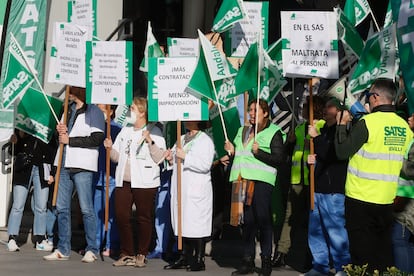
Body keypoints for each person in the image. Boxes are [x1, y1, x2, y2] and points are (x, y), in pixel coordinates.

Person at [335, 79, 412, 272]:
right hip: (387, 201)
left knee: (361, 258)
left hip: (360, 199)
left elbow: (342, 152)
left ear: (376, 97)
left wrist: (341, 126)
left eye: (369, 95)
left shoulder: (367, 123)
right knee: (382, 257)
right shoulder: (404, 127)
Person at [44, 86, 105, 262]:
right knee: (62, 208)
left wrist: (70, 140)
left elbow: (97, 138)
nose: (69, 89)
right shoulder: (67, 110)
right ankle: (63, 248)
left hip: (82, 165)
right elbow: (61, 139)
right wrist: (60, 134)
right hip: (64, 163)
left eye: (73, 87)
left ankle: (91, 248)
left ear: (82, 90)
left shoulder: (94, 112)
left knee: (86, 208)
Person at [225, 99, 286, 276]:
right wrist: (232, 150)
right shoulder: (242, 130)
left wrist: (260, 152)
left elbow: (279, 159)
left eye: (255, 110)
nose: (251, 113)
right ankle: (248, 260)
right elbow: (241, 154)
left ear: (266, 113)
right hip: (242, 179)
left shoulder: (273, 131)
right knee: (247, 221)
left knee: (262, 218)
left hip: (261, 180)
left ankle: (266, 259)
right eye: (249, 110)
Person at [104, 97, 166, 268]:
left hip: (145, 181)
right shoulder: (126, 130)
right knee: (122, 215)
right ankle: (127, 252)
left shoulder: (154, 131)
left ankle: (141, 253)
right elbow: (117, 157)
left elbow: (160, 158)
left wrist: (150, 141)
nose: (129, 111)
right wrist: (109, 148)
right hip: (124, 180)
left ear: (142, 112)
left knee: (143, 217)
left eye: (132, 108)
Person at [274, 96, 324, 271]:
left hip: (313, 180)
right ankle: (281, 252)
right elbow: (288, 152)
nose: (301, 111)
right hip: (297, 179)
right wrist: (291, 141)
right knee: (290, 217)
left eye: (305, 108)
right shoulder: (300, 127)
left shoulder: (322, 127)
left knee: (312, 219)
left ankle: (311, 256)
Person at [305, 98, 350, 276]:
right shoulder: (323, 131)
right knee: (316, 231)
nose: (325, 109)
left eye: (330, 106)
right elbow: (321, 155)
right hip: (317, 188)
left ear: (339, 111)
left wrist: (316, 138)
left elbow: (334, 155)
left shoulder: (342, 132)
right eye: (325, 105)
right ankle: (320, 266)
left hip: (333, 191)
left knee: (336, 232)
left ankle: (343, 268)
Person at [163, 120, 215, 272]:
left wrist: (185, 156)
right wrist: (170, 158)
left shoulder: (205, 141)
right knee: (182, 222)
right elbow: (174, 160)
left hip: (196, 188)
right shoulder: (182, 138)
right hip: (181, 187)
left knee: (196, 223)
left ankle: (199, 259)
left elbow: (205, 164)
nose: (186, 120)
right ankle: (184, 257)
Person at [7, 130, 56, 252]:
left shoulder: (47, 126)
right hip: (24, 167)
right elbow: (12, 150)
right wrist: (16, 140)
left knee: (41, 206)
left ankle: (40, 239)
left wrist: (52, 173)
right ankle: (12, 238)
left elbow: (53, 150)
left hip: (43, 168)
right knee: (18, 205)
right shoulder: (24, 125)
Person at [93, 104, 122, 257]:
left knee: (110, 214)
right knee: (95, 212)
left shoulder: (117, 129)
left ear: (111, 111)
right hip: (96, 175)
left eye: (103, 110)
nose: (100, 112)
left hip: (110, 177)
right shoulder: (95, 127)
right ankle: (96, 243)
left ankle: (112, 244)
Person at [392, 113, 414, 273]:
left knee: (399, 240)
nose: (410, 117)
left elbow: (409, 169)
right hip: (406, 194)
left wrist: (395, 158)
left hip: (409, 198)